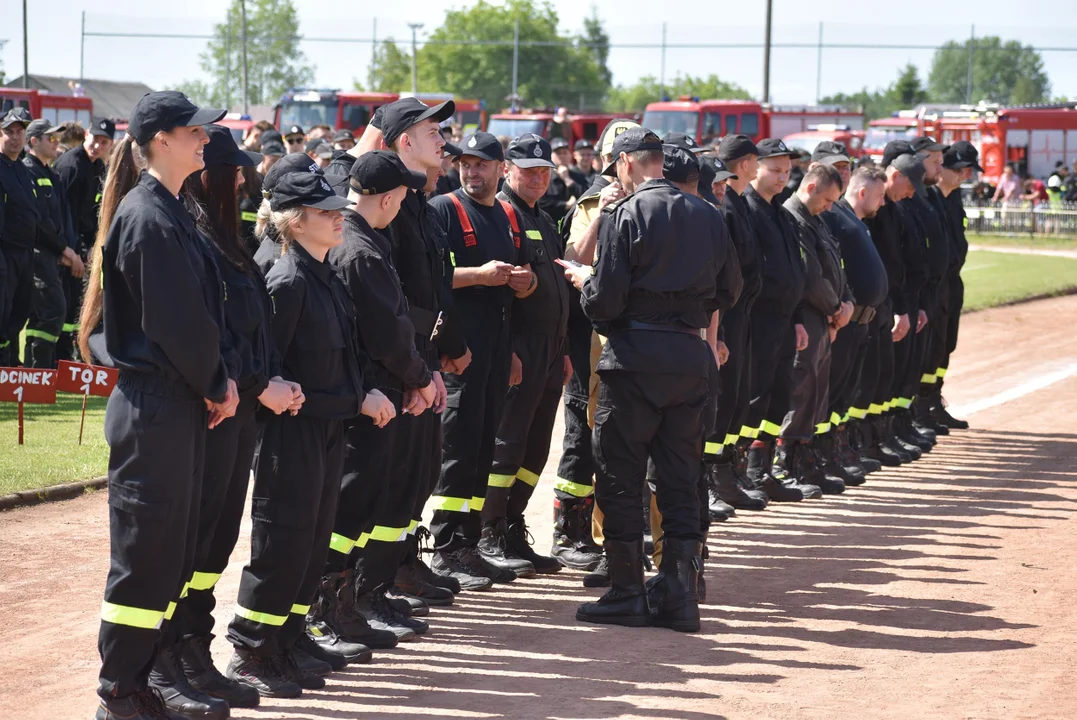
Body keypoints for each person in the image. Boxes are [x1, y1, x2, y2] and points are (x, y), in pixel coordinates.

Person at [80, 91, 239, 720]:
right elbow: (178, 322)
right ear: (161, 140)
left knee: (169, 552)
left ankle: (141, 679)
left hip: (175, 402)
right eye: (194, 130)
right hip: (157, 404)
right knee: (146, 557)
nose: (205, 139)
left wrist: (214, 381)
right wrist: (217, 383)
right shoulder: (149, 214)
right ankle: (119, 690)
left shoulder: (172, 209)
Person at [225, 160, 393, 699]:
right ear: (295, 221)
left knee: (311, 544)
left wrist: (358, 395)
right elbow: (269, 365)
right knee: (282, 541)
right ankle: (252, 650)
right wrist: (352, 399)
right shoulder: (288, 278)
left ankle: (288, 640)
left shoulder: (324, 273)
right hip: (290, 434)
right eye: (326, 211)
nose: (339, 217)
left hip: (326, 429)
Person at [563, 127, 730, 633]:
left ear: (625, 165)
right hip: (688, 354)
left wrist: (583, 281)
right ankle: (679, 594)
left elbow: (605, 301)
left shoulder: (624, 212)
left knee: (620, 476)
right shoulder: (709, 214)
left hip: (633, 358)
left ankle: (628, 591)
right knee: (680, 478)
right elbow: (733, 288)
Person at [174, 127, 310, 710]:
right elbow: (212, 335)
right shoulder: (200, 241)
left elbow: (254, 333)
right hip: (215, 411)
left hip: (242, 410)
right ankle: (173, 656)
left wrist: (267, 381)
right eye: (234, 173)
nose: (243, 181)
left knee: (215, 544)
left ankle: (193, 653)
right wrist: (258, 384)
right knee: (193, 543)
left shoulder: (230, 242)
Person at [319, 150, 442, 646]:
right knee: (350, 508)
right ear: (388, 198)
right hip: (370, 395)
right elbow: (386, 332)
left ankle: (350, 601)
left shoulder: (365, 239)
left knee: (366, 504)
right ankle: (329, 607)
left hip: (381, 390)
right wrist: (418, 376)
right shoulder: (362, 248)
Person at [428, 131, 538, 586]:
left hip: (496, 350)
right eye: (465, 164)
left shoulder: (509, 215)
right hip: (459, 354)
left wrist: (524, 283)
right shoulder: (444, 210)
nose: (472, 172)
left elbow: (524, 283)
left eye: (481, 165)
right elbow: (429, 279)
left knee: (481, 449)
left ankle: (469, 545)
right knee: (457, 450)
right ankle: (446, 548)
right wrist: (479, 275)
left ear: (499, 169)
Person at [481, 134, 570, 575]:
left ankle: (512, 525)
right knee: (507, 445)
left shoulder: (544, 219)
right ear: (507, 170)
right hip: (519, 351)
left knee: (535, 449)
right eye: (528, 169)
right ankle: (489, 532)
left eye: (544, 170)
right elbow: (500, 296)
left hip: (550, 352)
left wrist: (564, 350)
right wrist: (512, 351)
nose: (537, 177)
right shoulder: (502, 216)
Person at [552, 119, 635, 579]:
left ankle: (617, 533)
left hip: (629, 340)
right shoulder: (591, 202)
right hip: (590, 339)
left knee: (618, 439)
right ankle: (570, 532)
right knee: (582, 436)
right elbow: (575, 260)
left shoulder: (651, 203)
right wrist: (603, 214)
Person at [742, 138, 819, 502]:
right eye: (775, 169)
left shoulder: (781, 213)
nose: (782, 177)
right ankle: (742, 470)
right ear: (755, 167)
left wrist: (799, 318)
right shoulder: (747, 209)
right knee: (754, 397)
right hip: (759, 320)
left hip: (786, 320)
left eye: (787, 171)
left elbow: (796, 272)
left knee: (778, 396)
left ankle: (764, 467)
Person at [775, 164, 850, 495]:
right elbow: (809, 275)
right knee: (800, 390)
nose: (830, 206)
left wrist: (844, 302)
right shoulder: (793, 218)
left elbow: (836, 267)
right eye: (829, 199)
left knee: (816, 391)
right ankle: (785, 462)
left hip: (822, 317)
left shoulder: (814, 219)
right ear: (811, 187)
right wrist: (835, 308)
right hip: (807, 315)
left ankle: (804, 460)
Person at [704, 135, 769, 514]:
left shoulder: (738, 202)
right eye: (755, 161)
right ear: (744, 163)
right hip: (726, 316)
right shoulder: (726, 204)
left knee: (738, 399)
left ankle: (729, 472)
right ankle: (713, 479)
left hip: (743, 315)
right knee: (722, 399)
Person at [818, 158, 889, 482]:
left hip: (862, 319)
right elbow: (832, 269)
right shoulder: (836, 215)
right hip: (845, 320)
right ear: (862, 193)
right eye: (879, 195)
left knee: (846, 391)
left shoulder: (852, 218)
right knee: (831, 392)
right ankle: (821, 453)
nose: (883, 202)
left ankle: (837, 447)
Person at [860, 152, 924, 468]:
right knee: (869, 375)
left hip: (889, 300)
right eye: (910, 186)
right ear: (896, 176)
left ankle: (880, 436)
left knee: (885, 373)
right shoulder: (874, 211)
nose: (911, 194)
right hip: (872, 305)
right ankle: (862, 442)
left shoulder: (892, 209)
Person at [925, 141, 979, 431]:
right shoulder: (927, 198)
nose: (965, 176)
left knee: (946, 344)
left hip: (951, 284)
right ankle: (921, 407)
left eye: (968, 171)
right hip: (933, 286)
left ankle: (934, 400)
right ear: (942, 168)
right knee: (928, 347)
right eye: (960, 170)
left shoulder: (952, 198)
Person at [21, 119, 81, 368]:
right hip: (39, 254)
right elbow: (40, 221)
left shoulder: (51, 173)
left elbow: (61, 218)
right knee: (54, 310)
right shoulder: (28, 171)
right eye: (51, 138)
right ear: (34, 141)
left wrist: (68, 250)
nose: (57, 142)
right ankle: (41, 368)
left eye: (58, 138)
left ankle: (36, 371)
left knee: (42, 314)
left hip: (54, 254)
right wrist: (64, 249)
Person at [53, 116, 114, 362]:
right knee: (65, 308)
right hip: (67, 249)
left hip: (84, 249)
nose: (97, 146)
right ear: (86, 134)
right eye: (94, 139)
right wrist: (72, 251)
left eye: (103, 142)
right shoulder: (71, 166)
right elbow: (63, 214)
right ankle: (60, 359)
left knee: (77, 306)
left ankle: (74, 357)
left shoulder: (97, 167)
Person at [0, 107, 40, 366]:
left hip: (26, 253)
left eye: (20, 131)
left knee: (20, 310)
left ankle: (11, 364)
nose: (15, 137)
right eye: (9, 131)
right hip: (5, 252)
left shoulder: (22, 169)